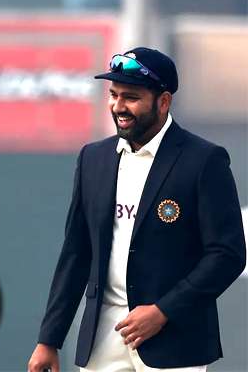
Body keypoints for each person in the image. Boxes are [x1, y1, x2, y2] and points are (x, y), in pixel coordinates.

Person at [28, 47, 245, 372]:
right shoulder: (93, 158)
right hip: (103, 338)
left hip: (175, 341)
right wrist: (49, 339)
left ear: (164, 101)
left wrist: (163, 311)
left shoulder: (204, 160)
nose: (118, 107)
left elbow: (227, 255)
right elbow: (76, 254)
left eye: (131, 97)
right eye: (113, 95)